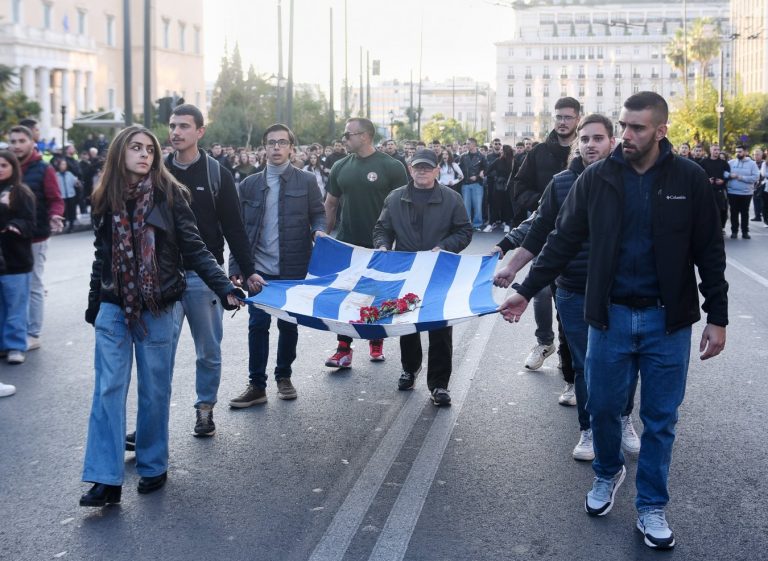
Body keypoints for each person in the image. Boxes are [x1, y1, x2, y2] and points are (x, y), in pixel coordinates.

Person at [499, 92, 728, 550]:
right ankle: (608, 472)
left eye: (637, 128)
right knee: (602, 408)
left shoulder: (690, 178)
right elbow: (561, 241)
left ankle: (651, 507)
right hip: (609, 319)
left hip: (668, 323)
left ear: (661, 130)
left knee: (660, 419)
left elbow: (709, 250)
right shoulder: (596, 179)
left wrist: (717, 317)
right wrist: (524, 291)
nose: (627, 135)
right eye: (624, 125)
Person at [80, 125, 245, 507]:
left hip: (158, 306)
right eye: (136, 148)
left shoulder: (170, 197)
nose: (144, 155)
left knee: (155, 389)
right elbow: (102, 258)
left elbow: (195, 248)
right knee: (107, 389)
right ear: (120, 153)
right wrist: (94, 305)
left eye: (150, 151)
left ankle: (153, 464)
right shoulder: (105, 198)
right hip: (113, 307)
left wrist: (224, 287)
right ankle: (106, 479)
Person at [493, 114, 640, 461]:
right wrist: (512, 268)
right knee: (586, 362)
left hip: (619, 289)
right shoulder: (561, 183)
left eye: (598, 138)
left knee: (625, 361)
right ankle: (588, 429)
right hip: (573, 288)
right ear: (578, 144)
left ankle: (622, 417)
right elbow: (541, 231)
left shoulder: (631, 179)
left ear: (612, 142)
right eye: (585, 139)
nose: (591, 145)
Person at [160, 104, 260, 437]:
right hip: (165, 277)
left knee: (208, 351)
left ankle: (205, 410)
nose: (176, 132)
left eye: (184, 126)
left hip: (205, 277)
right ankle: (152, 423)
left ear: (200, 132)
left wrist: (248, 271)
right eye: (172, 126)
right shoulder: (157, 171)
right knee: (159, 355)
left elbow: (234, 227)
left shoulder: (217, 173)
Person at [228, 124, 326, 408]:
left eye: (282, 142)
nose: (276, 147)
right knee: (258, 324)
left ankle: (284, 376)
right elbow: (238, 229)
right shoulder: (249, 184)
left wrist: (318, 231)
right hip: (258, 269)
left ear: (291, 148)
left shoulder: (306, 181)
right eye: (271, 143)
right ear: (263, 148)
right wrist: (237, 265)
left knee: (288, 324)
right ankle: (257, 385)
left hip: (294, 266)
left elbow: (318, 213)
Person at [372, 149, 472, 405]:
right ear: (409, 168)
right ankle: (410, 368)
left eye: (427, 167)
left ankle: (439, 385)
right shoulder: (395, 198)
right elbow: (382, 228)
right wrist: (383, 245)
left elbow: (464, 231)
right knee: (407, 324)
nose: (422, 171)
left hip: (439, 272)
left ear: (438, 169)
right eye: (418, 167)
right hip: (406, 272)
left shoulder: (451, 198)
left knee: (439, 328)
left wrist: (445, 247)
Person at [323, 118, 408, 368]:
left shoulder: (391, 166)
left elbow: (403, 207)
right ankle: (343, 348)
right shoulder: (340, 166)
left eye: (348, 135)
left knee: (377, 295)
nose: (344, 139)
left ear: (365, 136)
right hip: (346, 242)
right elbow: (330, 204)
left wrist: (400, 242)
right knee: (345, 295)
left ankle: (376, 341)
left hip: (380, 244)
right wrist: (324, 237)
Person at [511, 97, 581, 373]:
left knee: (568, 296)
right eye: (559, 117)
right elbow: (517, 186)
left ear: (577, 119)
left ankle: (571, 360)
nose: (562, 122)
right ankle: (544, 342)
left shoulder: (586, 150)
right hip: (544, 231)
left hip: (578, 237)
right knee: (540, 289)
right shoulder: (539, 151)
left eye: (568, 117)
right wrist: (544, 202)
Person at [8, 125, 64, 352]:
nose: (17, 145)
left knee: (33, 285)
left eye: (22, 140)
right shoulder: (5, 166)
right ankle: (12, 332)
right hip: (8, 237)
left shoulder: (43, 168)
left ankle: (33, 333)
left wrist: (55, 216)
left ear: (32, 142)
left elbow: (55, 199)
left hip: (35, 236)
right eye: (13, 141)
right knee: (11, 287)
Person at [0, 150, 36, 366]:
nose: (0, 169)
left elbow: (30, 223)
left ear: (13, 167)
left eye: (4, 165)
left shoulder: (21, 192)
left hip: (16, 261)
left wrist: (13, 226)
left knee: (15, 307)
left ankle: (15, 345)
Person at [725, 145, 759, 239]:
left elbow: (756, 177)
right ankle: (734, 231)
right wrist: (730, 175)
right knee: (734, 212)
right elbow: (724, 172)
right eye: (736, 151)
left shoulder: (752, 164)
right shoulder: (731, 162)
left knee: (745, 213)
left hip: (746, 193)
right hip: (732, 192)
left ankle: (745, 232)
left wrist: (742, 178)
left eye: (740, 151)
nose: (738, 153)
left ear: (745, 152)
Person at [697, 143, 730, 229]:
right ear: (710, 150)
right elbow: (699, 175)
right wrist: (706, 180)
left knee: (721, 210)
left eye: (718, 150)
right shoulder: (703, 162)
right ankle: (708, 228)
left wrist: (723, 181)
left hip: (720, 191)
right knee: (707, 210)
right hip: (707, 190)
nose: (716, 151)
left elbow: (727, 175)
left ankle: (719, 228)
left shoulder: (724, 163)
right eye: (714, 149)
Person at [458, 138, 486, 231]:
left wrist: (478, 176)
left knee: (477, 205)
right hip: (465, 184)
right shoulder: (463, 156)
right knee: (466, 206)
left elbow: (487, 169)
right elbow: (459, 169)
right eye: (466, 143)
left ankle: (477, 224)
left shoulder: (481, 156)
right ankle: (467, 225)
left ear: (474, 144)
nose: (466, 145)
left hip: (477, 184)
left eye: (468, 143)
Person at [54, 158, 80, 232]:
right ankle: (64, 224)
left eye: (65, 164)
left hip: (71, 195)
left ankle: (71, 225)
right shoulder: (56, 175)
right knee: (64, 211)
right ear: (59, 166)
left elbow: (75, 182)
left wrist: (77, 182)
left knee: (72, 210)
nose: (64, 166)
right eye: (62, 164)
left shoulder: (69, 174)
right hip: (62, 196)